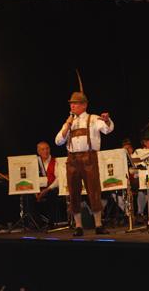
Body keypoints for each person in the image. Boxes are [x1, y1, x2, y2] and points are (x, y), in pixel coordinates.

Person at [55, 91, 114, 236]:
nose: (72, 106)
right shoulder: (69, 122)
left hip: (89, 158)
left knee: (94, 190)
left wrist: (107, 120)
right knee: (73, 193)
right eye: (71, 104)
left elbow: (107, 130)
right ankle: (79, 226)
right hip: (72, 160)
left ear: (84, 105)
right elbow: (58, 141)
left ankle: (98, 225)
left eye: (75, 103)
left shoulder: (93, 119)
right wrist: (67, 126)